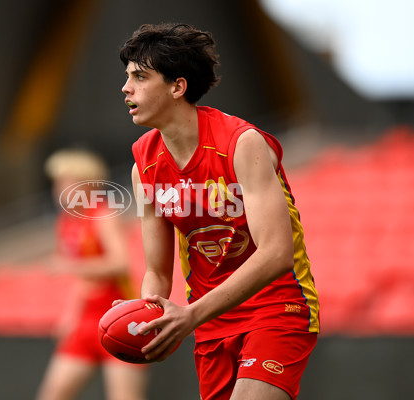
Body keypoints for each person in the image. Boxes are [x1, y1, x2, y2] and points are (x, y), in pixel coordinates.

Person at [117, 23, 320, 400]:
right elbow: (157, 272)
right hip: (211, 320)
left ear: (177, 87)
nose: (126, 88)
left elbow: (277, 253)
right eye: (127, 77)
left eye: (140, 77)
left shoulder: (242, 143)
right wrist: (146, 314)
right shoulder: (143, 163)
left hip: (275, 304)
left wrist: (191, 315)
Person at [36, 148, 148, 400]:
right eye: (57, 182)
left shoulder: (103, 214)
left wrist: (68, 266)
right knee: (52, 394)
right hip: (86, 318)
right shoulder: (67, 221)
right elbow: (82, 281)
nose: (59, 188)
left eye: (66, 182)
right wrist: (70, 315)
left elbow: (120, 263)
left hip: (117, 315)